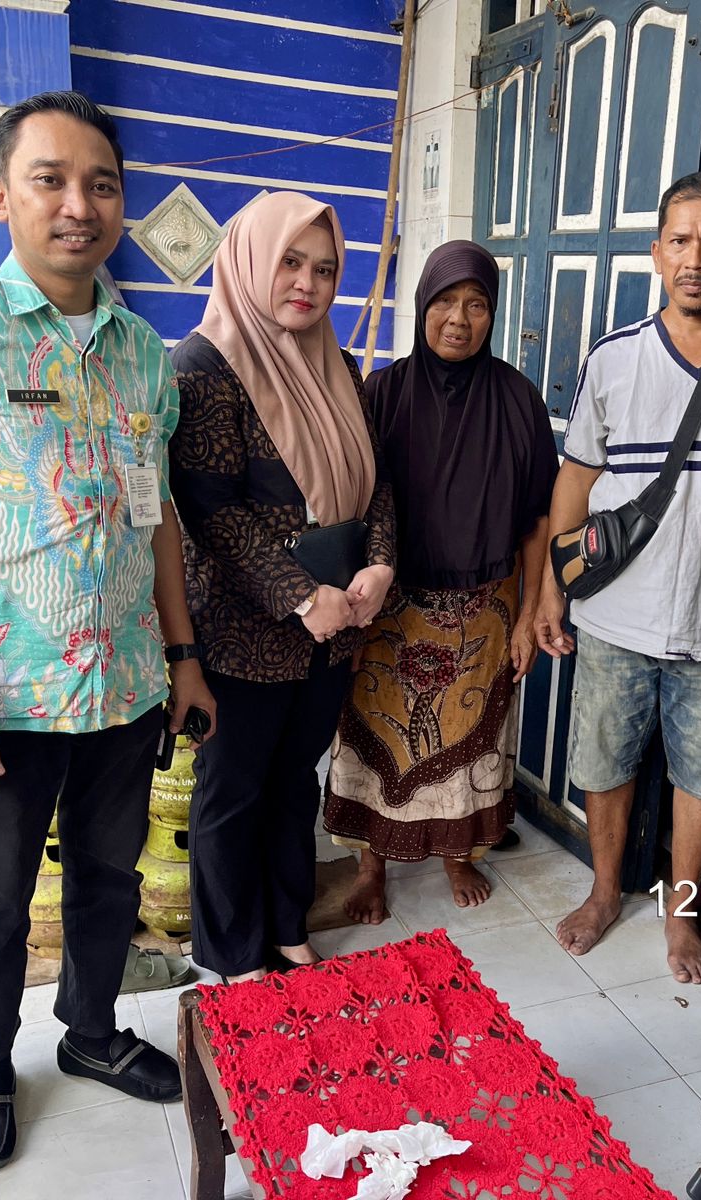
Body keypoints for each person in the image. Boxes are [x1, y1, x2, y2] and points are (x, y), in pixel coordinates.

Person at [0, 90, 216, 1175]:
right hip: (3, 694)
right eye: (50, 180)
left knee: (109, 878)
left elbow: (156, 515)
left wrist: (182, 655)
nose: (79, 205)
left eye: (101, 184)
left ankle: (92, 1031)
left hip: (125, 683)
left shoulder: (144, 353)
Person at [536, 171, 701, 984]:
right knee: (605, 760)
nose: (694, 258)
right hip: (616, 613)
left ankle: (680, 914)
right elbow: (575, 481)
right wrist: (552, 588)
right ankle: (605, 890)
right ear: (656, 253)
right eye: (679, 240)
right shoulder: (614, 358)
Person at [170, 190, 396, 982]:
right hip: (246, 632)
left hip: (332, 631)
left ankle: (286, 921)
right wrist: (301, 595)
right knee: (233, 790)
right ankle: (233, 952)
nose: (308, 283)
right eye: (291, 262)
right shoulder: (202, 367)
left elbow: (378, 487)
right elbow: (210, 511)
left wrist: (380, 565)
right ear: (250, 261)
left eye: (325, 269)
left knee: (295, 782)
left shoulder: (339, 368)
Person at [323, 240, 557, 921]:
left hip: (485, 609)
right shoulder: (382, 393)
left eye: (477, 304)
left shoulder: (517, 399)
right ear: (424, 302)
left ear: (493, 314)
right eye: (446, 301)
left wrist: (528, 614)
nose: (459, 318)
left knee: (469, 741)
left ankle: (459, 853)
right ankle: (371, 866)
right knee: (373, 735)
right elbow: (351, 502)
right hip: (389, 607)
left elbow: (538, 520)